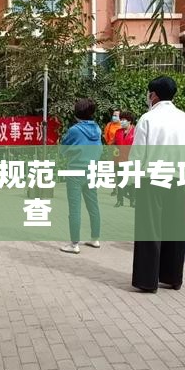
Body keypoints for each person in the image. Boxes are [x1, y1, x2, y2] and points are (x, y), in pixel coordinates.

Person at [129, 76, 185, 293]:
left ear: (154, 95)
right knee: (174, 228)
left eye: (149, 93)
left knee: (149, 228)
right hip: (177, 178)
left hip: (152, 179)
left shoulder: (148, 118)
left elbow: (138, 153)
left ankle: (147, 280)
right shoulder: (184, 119)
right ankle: (172, 277)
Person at [60, 99, 103, 254]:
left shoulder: (75, 130)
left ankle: (74, 244)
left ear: (76, 112)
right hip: (92, 170)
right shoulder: (97, 129)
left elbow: (63, 149)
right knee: (93, 206)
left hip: (75, 171)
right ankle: (95, 238)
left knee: (75, 208)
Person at [113, 111, 135, 207]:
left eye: (123, 120)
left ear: (129, 121)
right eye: (121, 119)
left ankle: (132, 200)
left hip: (131, 160)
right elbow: (115, 144)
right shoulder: (118, 132)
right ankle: (119, 200)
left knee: (132, 181)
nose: (121, 121)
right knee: (120, 180)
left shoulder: (135, 132)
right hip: (120, 159)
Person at [104, 109, 122, 196]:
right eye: (113, 115)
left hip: (121, 149)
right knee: (113, 169)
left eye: (116, 115)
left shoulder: (122, 126)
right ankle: (115, 188)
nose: (114, 117)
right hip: (112, 148)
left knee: (120, 168)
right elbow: (106, 136)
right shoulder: (109, 125)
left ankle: (122, 188)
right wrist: (110, 143)